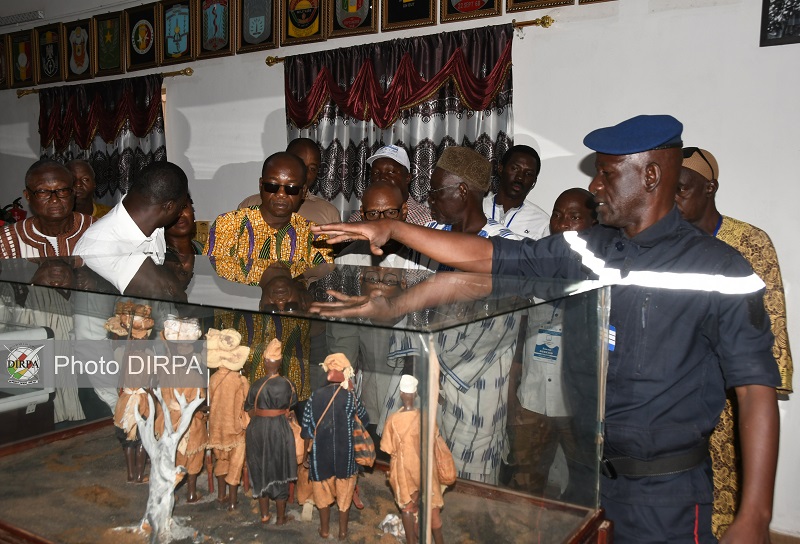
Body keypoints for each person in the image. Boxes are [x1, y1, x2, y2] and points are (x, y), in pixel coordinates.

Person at [312, 115, 780, 543]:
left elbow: (755, 390)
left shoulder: (721, 268)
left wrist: (755, 515)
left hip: (667, 492)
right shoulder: (589, 249)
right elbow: (484, 260)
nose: (595, 185)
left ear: (651, 176)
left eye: (608, 173)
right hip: (589, 475)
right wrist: (393, 241)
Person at [675, 147, 793, 538]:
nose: (672, 199)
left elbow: (770, 326)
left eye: (682, 189)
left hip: (731, 401)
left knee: (727, 507)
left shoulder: (750, 243)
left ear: (711, 188)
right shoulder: (666, 243)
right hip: (675, 400)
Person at [505, 188, 597, 495]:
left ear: (592, 223)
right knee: (525, 485)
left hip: (576, 404)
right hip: (531, 397)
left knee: (585, 488)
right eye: (558, 215)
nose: (562, 224)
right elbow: (519, 321)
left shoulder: (602, 272)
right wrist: (513, 380)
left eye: (574, 217)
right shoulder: (538, 264)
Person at [204, 152, 333, 272]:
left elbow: (323, 283)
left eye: (291, 188)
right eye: (272, 186)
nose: (281, 194)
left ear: (304, 192)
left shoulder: (315, 237)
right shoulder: (228, 226)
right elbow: (213, 278)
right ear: (261, 185)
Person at [74, 161, 189, 294]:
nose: (180, 213)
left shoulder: (155, 228)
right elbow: (159, 291)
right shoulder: (99, 245)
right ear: (169, 206)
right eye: (181, 207)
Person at [410, 145, 520, 272]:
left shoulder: (504, 244)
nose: (430, 199)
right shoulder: (429, 231)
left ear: (462, 191)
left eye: (435, 191)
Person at [301, 353, 369, 540]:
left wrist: (306, 455)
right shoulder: (350, 398)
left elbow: (307, 429)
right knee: (345, 494)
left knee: (321, 493)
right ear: (345, 373)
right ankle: (343, 531)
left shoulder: (314, 397)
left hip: (319, 456)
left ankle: (324, 530)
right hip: (345, 456)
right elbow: (365, 419)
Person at [381, 375, 446, 544]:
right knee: (432, 505)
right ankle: (438, 540)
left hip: (404, 469)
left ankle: (411, 541)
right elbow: (435, 438)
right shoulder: (426, 417)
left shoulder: (393, 420)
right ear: (415, 394)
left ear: (401, 394)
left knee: (408, 506)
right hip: (425, 469)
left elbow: (388, 448)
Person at [245, 339, 298, 525]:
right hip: (279, 430)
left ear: (265, 361)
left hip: (257, 429)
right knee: (280, 468)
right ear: (280, 362)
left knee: (259, 467)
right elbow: (292, 405)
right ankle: (281, 517)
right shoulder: (288, 384)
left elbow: (248, 408)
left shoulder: (255, 385)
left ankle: (264, 515)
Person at [0, 159, 95, 258]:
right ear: (28, 196)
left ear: (73, 192)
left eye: (62, 190)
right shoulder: (7, 240)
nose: (54, 199)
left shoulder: (98, 230)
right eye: (43, 192)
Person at [238, 138, 341, 225]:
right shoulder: (249, 205)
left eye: (312, 168)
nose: (305, 172)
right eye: (299, 163)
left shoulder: (328, 213)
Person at [206, 328, 251, 511]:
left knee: (221, 460)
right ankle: (233, 501)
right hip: (236, 429)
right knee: (236, 463)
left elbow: (210, 401)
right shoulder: (241, 381)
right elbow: (246, 403)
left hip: (216, 429)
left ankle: (220, 495)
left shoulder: (213, 379)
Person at [347, 145, 433, 226]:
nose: (382, 177)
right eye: (376, 173)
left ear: (407, 177)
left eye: (391, 172)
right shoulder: (356, 220)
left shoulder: (427, 221)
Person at [483, 145, 550, 239]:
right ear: (500, 168)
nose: (520, 177)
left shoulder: (543, 223)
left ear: (534, 182)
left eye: (528, 174)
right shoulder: (478, 207)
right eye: (515, 168)